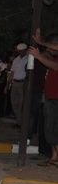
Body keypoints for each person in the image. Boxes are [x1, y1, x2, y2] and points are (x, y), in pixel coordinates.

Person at [29, 30, 58, 167]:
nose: (48, 49)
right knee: (50, 128)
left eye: (51, 46)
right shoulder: (53, 57)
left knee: (52, 129)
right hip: (50, 97)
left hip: (56, 99)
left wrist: (40, 48)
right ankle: (54, 157)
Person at [6, 43, 29, 127]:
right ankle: (19, 120)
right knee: (14, 102)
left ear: (25, 51)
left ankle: (20, 123)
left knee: (21, 104)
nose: (20, 53)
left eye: (22, 51)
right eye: (19, 51)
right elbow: (12, 72)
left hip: (23, 83)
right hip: (15, 83)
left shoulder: (28, 59)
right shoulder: (16, 59)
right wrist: (7, 85)